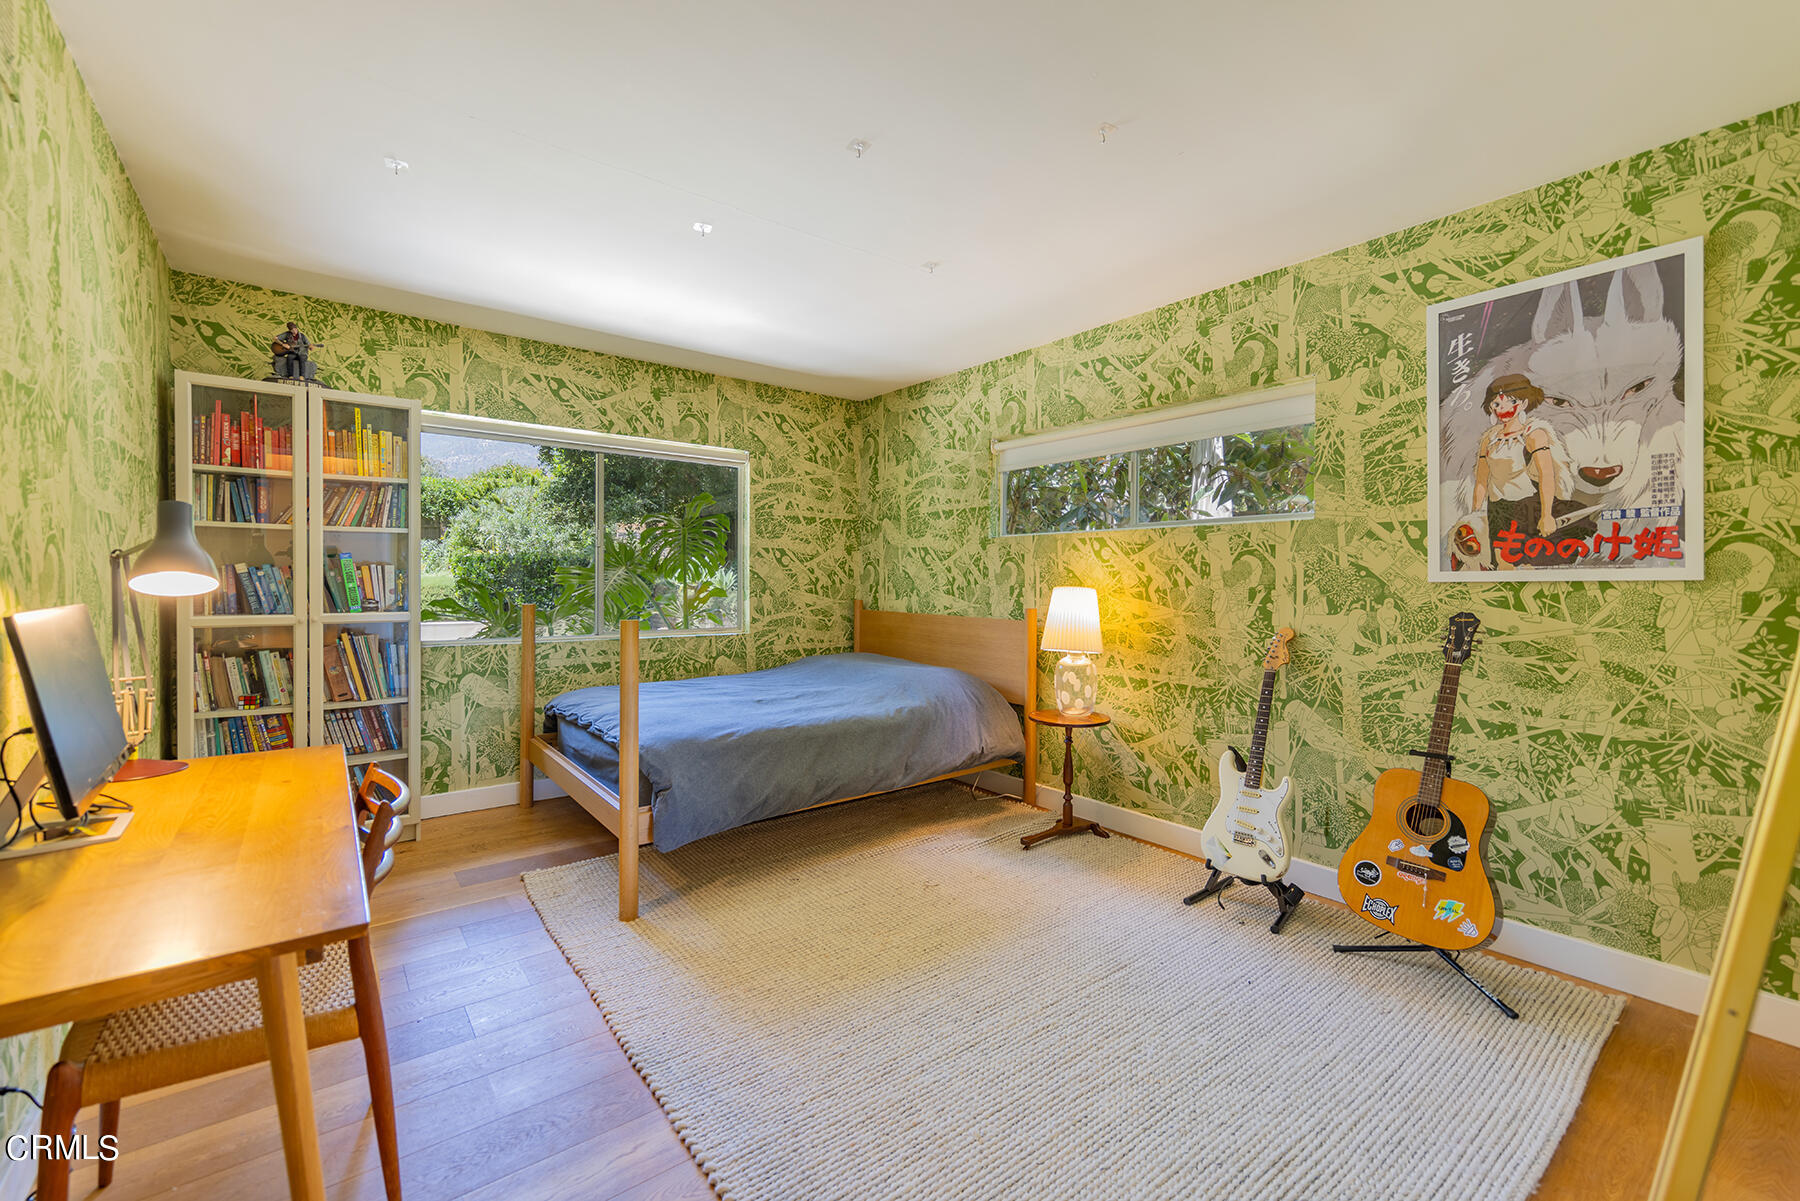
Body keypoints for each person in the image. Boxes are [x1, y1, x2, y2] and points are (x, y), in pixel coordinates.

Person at [1469, 373, 1583, 569]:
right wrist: (1474, 516)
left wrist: (1546, 516)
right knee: (1499, 566)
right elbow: (1481, 480)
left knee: (1527, 566)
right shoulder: (1489, 438)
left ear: (1522, 404)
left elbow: (1547, 475)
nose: (1502, 409)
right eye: (1496, 404)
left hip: (1527, 507)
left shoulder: (1534, 434)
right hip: (1497, 510)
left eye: (1510, 401)